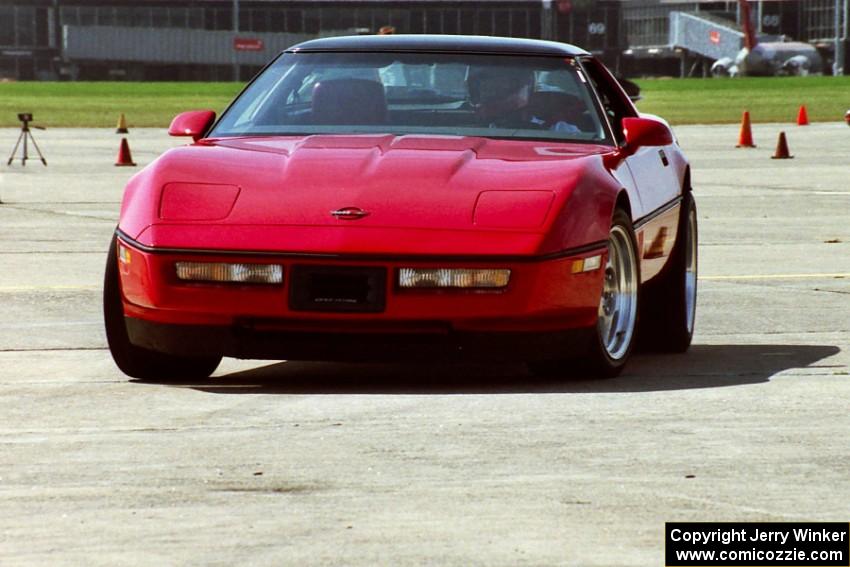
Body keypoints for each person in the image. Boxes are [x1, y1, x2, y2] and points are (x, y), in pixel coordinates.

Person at [467, 66, 581, 134]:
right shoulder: (466, 127)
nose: (497, 90)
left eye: (511, 84)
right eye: (489, 85)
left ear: (528, 86)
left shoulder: (559, 128)